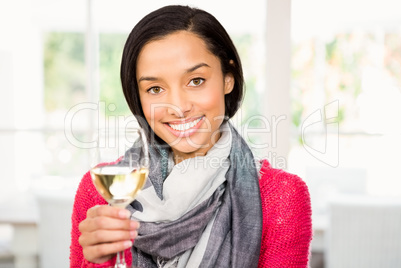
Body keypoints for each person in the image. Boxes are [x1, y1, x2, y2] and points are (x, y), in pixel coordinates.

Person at [70, 5, 312, 268]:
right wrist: (95, 261)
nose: (178, 106)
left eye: (196, 81)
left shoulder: (282, 197)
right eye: (155, 88)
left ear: (227, 78)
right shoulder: (102, 191)